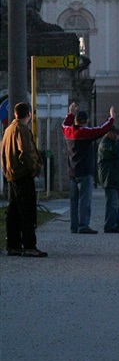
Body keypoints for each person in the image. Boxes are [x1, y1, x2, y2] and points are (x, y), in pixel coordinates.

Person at [1, 102, 47, 257]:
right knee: (27, 212)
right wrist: (34, 168)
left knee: (14, 211)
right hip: (22, 174)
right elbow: (25, 153)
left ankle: (13, 245)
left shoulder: (8, 130)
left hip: (11, 174)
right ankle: (29, 245)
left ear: (15, 114)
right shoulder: (22, 130)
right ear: (28, 114)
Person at [61, 102, 115, 234]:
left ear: (75, 120)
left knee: (73, 202)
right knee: (85, 200)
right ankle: (83, 225)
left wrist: (70, 113)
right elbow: (101, 129)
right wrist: (111, 118)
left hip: (72, 171)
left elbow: (64, 125)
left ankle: (74, 226)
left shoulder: (68, 131)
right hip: (84, 171)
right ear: (86, 121)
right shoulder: (85, 132)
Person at [97, 126, 119, 233]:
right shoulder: (104, 144)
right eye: (115, 133)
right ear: (109, 133)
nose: (117, 136)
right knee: (113, 204)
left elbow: (117, 155)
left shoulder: (113, 143)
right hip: (110, 179)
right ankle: (109, 225)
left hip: (118, 179)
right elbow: (113, 153)